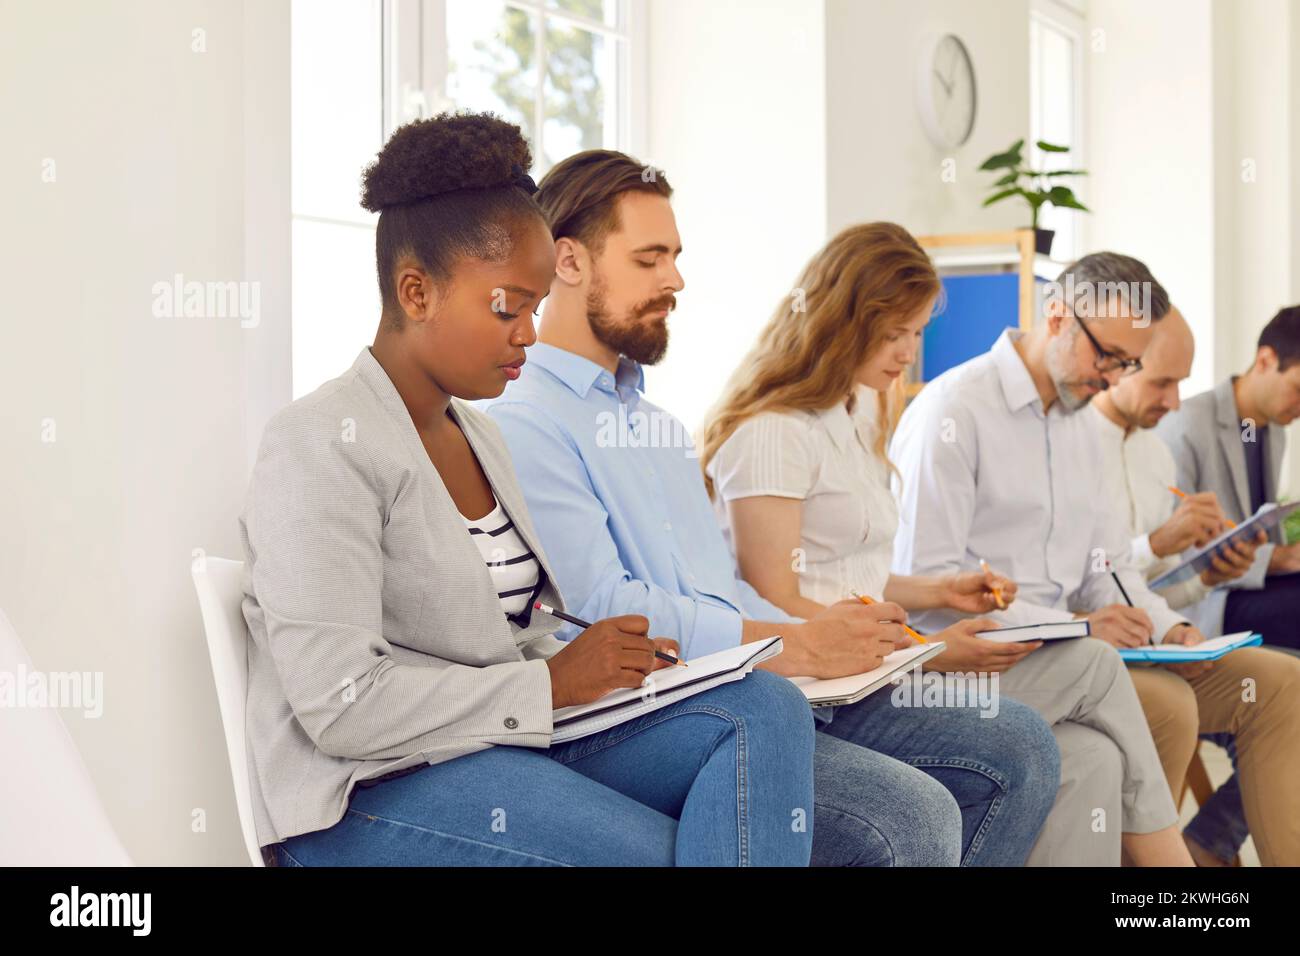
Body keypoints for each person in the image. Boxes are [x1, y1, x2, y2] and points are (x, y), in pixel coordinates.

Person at [240, 114, 816, 867]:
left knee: (763, 710)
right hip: (370, 790)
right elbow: (342, 706)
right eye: (509, 305)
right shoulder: (320, 442)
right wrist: (549, 682)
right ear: (417, 292)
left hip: (500, 743)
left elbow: (508, 629)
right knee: (662, 851)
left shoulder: (479, 435)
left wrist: (618, 660)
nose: (531, 333)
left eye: (538, 305)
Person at [482, 149, 1060, 866]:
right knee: (910, 815)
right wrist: (798, 644)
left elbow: (724, 585)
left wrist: (843, 643)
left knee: (1023, 748)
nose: (676, 279)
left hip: (739, 678)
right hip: (637, 712)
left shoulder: (656, 422)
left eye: (676, 257)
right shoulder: (523, 416)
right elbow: (599, 608)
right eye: (650, 259)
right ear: (568, 263)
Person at [702, 225, 1193, 867]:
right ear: (839, 321)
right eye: (893, 333)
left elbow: (849, 574)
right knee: (1097, 666)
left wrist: (938, 592)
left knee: (1092, 758)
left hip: (882, 666)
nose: (909, 352)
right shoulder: (775, 433)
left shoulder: (856, 415)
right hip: (831, 693)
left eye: (917, 332)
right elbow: (781, 603)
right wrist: (924, 650)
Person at [891, 251, 1199, 866]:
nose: (1113, 377)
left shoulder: (1084, 427)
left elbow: (1106, 569)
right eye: (1106, 356)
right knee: (1112, 673)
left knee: (1093, 759)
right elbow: (927, 599)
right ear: (1057, 317)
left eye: (1128, 364)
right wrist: (1080, 629)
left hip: (1055, 657)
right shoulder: (955, 411)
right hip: (965, 663)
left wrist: (1168, 626)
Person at [1089, 308, 1300, 866]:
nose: (1176, 399)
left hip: (1159, 632)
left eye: (1181, 382)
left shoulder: (1153, 452)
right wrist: (1162, 546)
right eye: (1163, 382)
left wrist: (1198, 585)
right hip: (1095, 646)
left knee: (1286, 682)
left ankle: (1233, 847)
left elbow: (1151, 583)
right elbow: (1098, 576)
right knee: (1172, 703)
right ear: (1116, 366)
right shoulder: (1078, 445)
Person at [1154, 306, 1300, 649]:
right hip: (1209, 598)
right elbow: (1178, 555)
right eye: (1297, 387)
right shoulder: (1185, 425)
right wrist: (1284, 557)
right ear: (1265, 360)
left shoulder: (1273, 430)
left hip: (1254, 587)